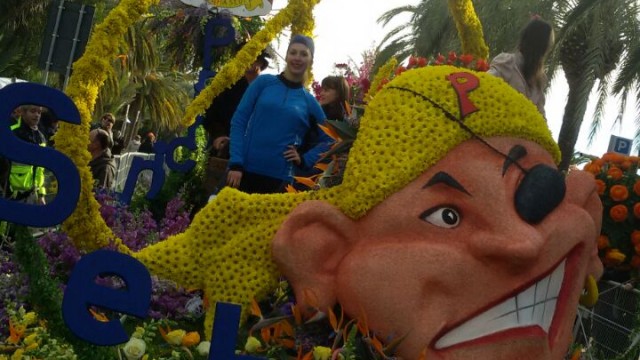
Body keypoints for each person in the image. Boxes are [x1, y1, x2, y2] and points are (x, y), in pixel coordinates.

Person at [132, 66, 604, 359]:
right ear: (322, 252)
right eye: (447, 217)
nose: (523, 244)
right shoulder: (271, 94)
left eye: (538, 196)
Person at [226, 35, 333, 194]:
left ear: (311, 60)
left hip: (280, 179)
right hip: (243, 171)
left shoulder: (309, 101)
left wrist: (304, 160)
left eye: (304, 54)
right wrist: (236, 163)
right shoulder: (263, 83)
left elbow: (330, 139)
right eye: (293, 52)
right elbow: (239, 121)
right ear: (287, 55)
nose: (297, 58)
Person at [203, 48, 271, 159]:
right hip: (225, 148)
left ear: (261, 64)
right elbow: (212, 115)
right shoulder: (226, 86)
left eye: (255, 58)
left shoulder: (267, 89)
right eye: (247, 57)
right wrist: (219, 136)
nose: (251, 62)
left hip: (255, 152)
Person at [488, 17, 554, 117]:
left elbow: (541, 117)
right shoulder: (507, 63)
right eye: (547, 47)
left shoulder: (539, 81)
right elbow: (484, 85)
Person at [6, 105, 47, 204]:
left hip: (31, 197)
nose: (37, 115)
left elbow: (40, 170)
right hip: (9, 196)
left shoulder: (41, 138)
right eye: (33, 111)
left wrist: (41, 194)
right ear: (23, 112)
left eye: (39, 112)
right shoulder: (12, 133)